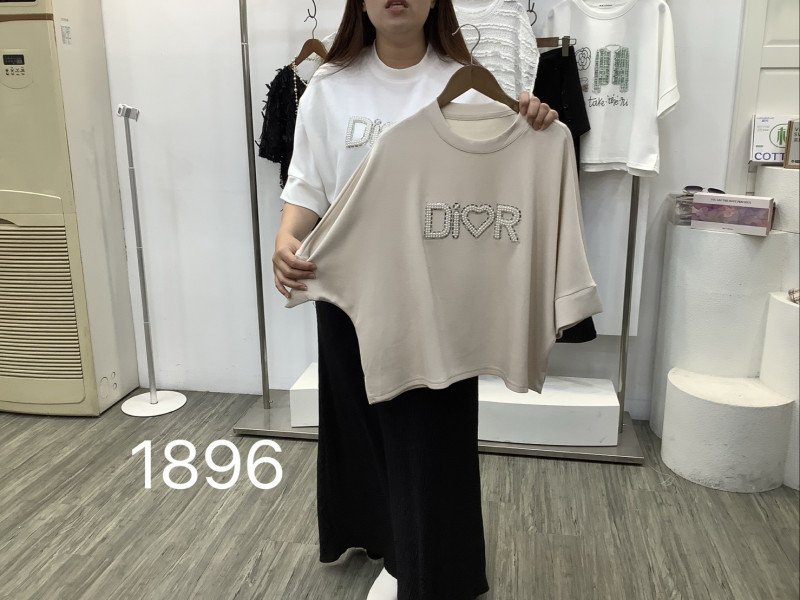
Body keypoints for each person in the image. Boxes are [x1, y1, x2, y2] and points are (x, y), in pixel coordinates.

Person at [272, 1, 558, 598]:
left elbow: (496, 171)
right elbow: (307, 184)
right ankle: (385, 543)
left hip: (438, 296)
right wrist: (286, 238)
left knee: (433, 440)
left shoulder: (465, 84)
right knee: (361, 427)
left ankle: (430, 569)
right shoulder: (329, 86)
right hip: (350, 289)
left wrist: (530, 121)